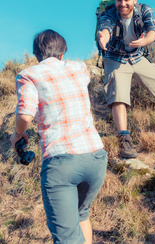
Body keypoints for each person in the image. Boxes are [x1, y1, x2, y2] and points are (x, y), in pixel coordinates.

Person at [10, 29, 108, 244]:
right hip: (96, 157)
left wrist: (18, 134)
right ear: (63, 52)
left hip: (61, 160)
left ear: (36, 54)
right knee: (82, 215)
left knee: (66, 238)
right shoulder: (80, 69)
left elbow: (25, 114)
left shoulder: (29, 74)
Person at [97, 0, 155, 159]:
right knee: (118, 96)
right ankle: (124, 140)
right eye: (119, 0)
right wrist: (103, 37)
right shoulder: (109, 13)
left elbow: (153, 31)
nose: (122, 4)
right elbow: (105, 28)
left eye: (127, 0)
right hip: (114, 57)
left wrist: (144, 42)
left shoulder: (144, 10)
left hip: (137, 56)